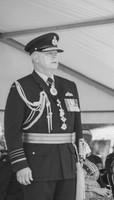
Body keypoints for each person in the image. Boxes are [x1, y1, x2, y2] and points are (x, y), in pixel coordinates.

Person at [4, 32, 83, 200]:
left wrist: (80, 160)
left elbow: (77, 125)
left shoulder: (69, 86)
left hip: (67, 164)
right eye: (49, 53)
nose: (54, 56)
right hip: (37, 166)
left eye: (56, 53)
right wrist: (20, 164)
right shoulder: (21, 87)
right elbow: (12, 131)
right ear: (35, 58)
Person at [82, 130, 114, 200]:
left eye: (86, 140)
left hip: (98, 194)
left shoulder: (94, 159)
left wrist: (105, 190)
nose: (85, 143)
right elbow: (72, 184)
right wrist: (96, 189)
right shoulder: (70, 160)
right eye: (83, 141)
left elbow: (100, 179)